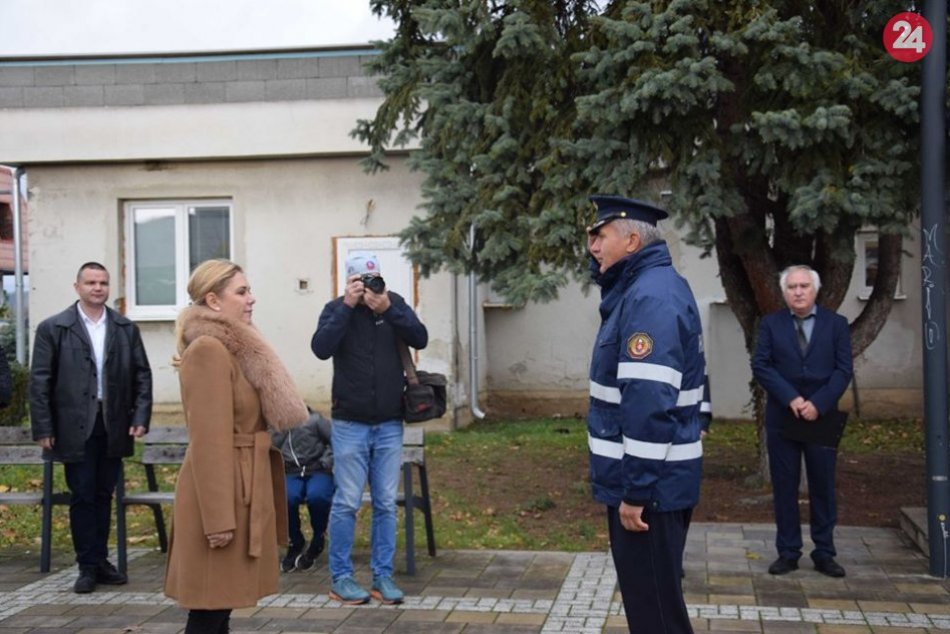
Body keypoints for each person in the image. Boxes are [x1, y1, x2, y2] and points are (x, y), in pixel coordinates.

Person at [163, 259, 309, 634]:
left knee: (220, 606)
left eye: (249, 290)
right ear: (213, 301)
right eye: (242, 292)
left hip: (241, 488)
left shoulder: (234, 349)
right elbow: (207, 442)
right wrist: (218, 520)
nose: (251, 299)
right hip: (221, 496)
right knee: (209, 609)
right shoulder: (209, 350)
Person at [585, 195, 705, 633]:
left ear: (632, 241)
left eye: (600, 236)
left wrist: (635, 491)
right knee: (652, 608)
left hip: (649, 490)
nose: (592, 247)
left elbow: (649, 401)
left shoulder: (650, 297)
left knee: (656, 616)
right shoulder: (642, 288)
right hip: (652, 483)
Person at [311, 251, 428, 605]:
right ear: (348, 281)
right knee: (346, 502)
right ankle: (341, 579)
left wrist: (388, 308)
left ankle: (382, 577)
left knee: (385, 504)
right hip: (349, 423)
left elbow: (420, 338)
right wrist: (347, 306)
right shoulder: (336, 309)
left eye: (372, 279)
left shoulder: (393, 306)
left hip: (390, 423)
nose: (367, 287)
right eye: (359, 281)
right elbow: (320, 348)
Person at [29, 262, 153, 594]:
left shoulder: (125, 328)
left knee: (103, 494)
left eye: (103, 283)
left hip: (112, 423)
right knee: (82, 495)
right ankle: (87, 565)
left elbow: (142, 375)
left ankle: (100, 561)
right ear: (77, 286)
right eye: (91, 282)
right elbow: (39, 381)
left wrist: (140, 417)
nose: (97, 288)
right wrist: (44, 426)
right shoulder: (54, 328)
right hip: (72, 425)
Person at [752, 264, 853, 578]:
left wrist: (818, 404)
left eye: (803, 286)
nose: (797, 292)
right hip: (784, 417)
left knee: (823, 486)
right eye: (792, 287)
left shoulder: (836, 324)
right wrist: (792, 398)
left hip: (820, 418)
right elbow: (762, 365)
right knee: (785, 487)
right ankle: (788, 552)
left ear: (815, 290)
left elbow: (843, 369)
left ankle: (824, 552)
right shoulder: (771, 324)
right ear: (784, 292)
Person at [271, 410, 335, 572]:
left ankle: (318, 538)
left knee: (317, 496)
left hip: (318, 470)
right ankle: (295, 540)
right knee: (286, 497)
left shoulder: (315, 420)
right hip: (291, 472)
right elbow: (271, 446)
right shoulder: (278, 425)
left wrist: (326, 462)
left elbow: (336, 441)